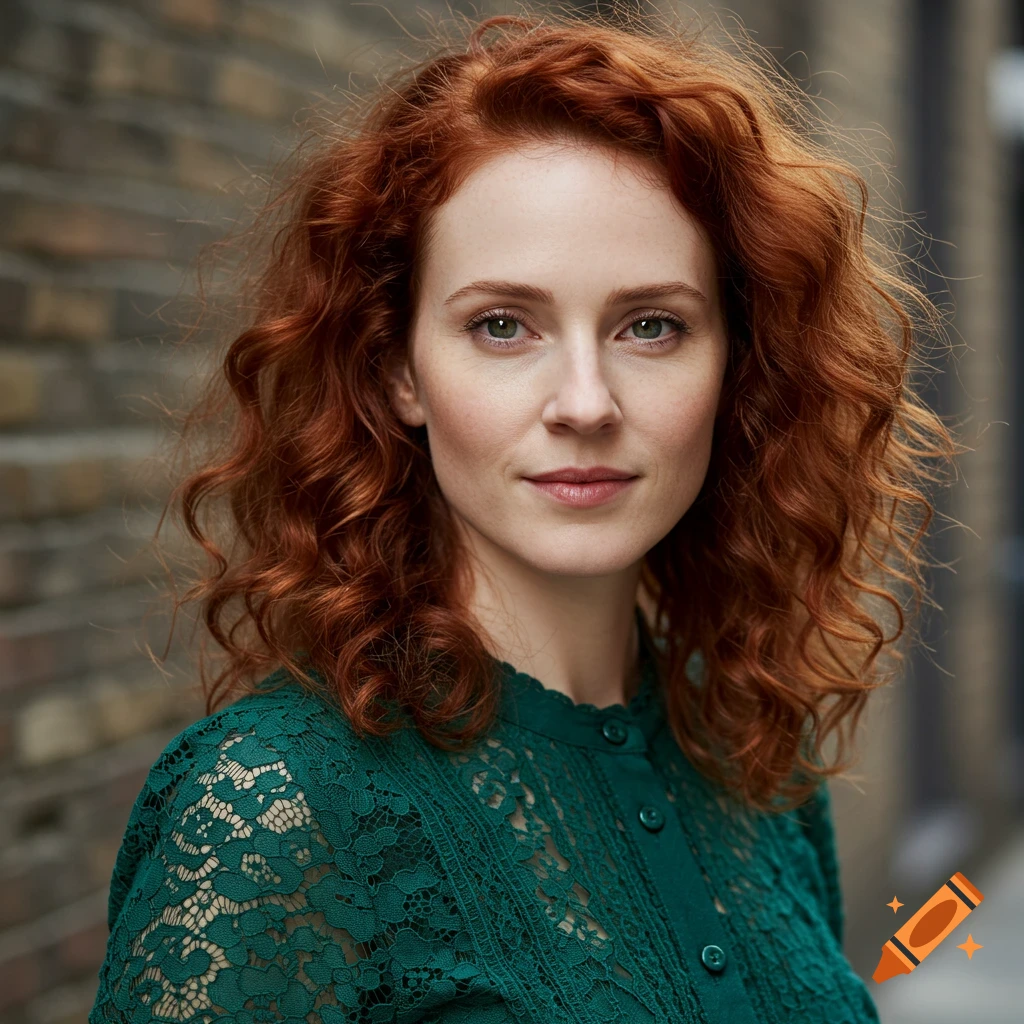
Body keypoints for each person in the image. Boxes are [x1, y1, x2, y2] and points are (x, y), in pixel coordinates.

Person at [88, 8, 961, 1023]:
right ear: (397, 368)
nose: (585, 402)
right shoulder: (269, 805)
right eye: (502, 326)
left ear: (735, 362)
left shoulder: (750, 757)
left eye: (652, 325)